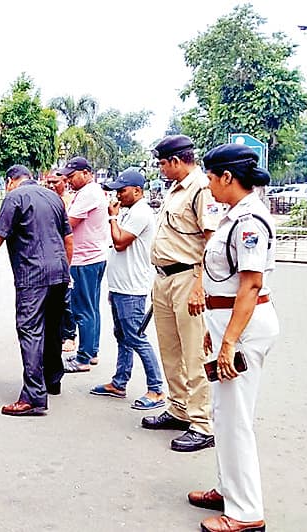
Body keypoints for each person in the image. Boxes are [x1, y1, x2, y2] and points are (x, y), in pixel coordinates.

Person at [187, 144, 277, 532]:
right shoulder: (234, 216)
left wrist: (228, 342)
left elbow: (251, 284)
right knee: (224, 414)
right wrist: (215, 328)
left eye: (210, 176)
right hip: (229, 323)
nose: (207, 183)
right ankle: (228, 489)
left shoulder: (249, 221)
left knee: (235, 417)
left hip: (245, 328)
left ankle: (245, 512)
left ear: (227, 177)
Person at [0, 165, 73, 416]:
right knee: (53, 327)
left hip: (32, 275)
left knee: (31, 331)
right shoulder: (53, 196)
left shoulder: (15, 197)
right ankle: (52, 380)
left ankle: (34, 397)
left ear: (11, 181)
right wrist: (65, 271)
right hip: (58, 271)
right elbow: (68, 239)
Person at [141, 134, 220, 453]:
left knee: (194, 353)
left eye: (162, 163)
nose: (160, 168)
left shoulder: (201, 189)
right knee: (170, 350)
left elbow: (211, 240)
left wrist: (201, 284)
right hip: (165, 278)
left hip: (189, 278)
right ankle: (179, 408)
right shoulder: (175, 189)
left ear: (175, 161)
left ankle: (201, 423)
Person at [88, 168, 166, 410]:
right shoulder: (130, 211)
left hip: (132, 287)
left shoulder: (140, 213)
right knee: (122, 336)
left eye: (122, 191)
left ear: (137, 191)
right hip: (121, 285)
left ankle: (156, 389)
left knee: (136, 337)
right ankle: (119, 382)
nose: (118, 196)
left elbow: (120, 243)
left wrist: (112, 217)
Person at [58, 157, 110, 373]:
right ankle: (91, 351)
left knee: (82, 310)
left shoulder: (89, 193)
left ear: (87, 173)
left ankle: (83, 358)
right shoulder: (88, 192)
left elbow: (68, 224)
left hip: (84, 259)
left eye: (72, 175)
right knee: (91, 308)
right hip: (93, 257)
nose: (69, 180)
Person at [44, 173, 78, 354]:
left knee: (67, 301)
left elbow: (68, 237)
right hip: (50, 257)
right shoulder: (47, 200)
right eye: (48, 182)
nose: (50, 185)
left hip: (66, 257)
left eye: (55, 182)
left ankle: (70, 336)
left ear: (65, 182)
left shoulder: (69, 201)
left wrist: (67, 265)